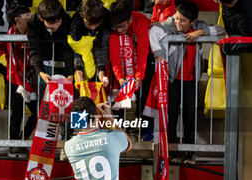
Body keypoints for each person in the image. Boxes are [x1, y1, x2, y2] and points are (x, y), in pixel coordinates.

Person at [149, 1, 225, 163]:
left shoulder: (198, 25)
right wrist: (158, 53)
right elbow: (153, 31)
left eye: (182, 20)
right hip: (172, 79)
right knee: (171, 116)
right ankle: (173, 154)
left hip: (190, 80)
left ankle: (190, 153)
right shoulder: (169, 24)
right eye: (177, 18)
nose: (178, 23)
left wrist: (199, 32)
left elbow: (221, 30)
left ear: (192, 21)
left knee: (190, 117)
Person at [64, 97, 131, 180]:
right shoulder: (111, 138)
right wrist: (109, 118)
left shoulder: (69, 146)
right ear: (95, 114)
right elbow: (128, 144)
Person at [0, 5, 37, 143]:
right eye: (27, 15)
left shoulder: (34, 33)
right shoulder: (8, 36)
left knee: (38, 112)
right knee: (17, 114)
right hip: (15, 80)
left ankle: (24, 138)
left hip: (32, 79)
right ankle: (14, 143)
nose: (30, 17)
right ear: (17, 20)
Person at [109, 0, 154, 141]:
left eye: (122, 26)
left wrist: (139, 76)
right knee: (118, 98)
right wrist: (120, 78)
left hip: (143, 65)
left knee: (143, 97)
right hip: (121, 68)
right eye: (116, 27)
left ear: (130, 19)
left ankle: (140, 131)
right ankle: (119, 132)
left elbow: (143, 52)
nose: (119, 30)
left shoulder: (141, 22)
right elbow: (114, 55)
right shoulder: (115, 27)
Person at [27, 0, 74, 103]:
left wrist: (70, 73)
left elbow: (68, 48)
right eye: (51, 23)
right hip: (44, 66)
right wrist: (41, 72)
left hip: (64, 64)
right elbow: (34, 50)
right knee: (45, 103)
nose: (56, 26)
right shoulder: (33, 23)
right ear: (41, 18)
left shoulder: (66, 19)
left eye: (58, 21)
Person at [68, 0, 111, 83]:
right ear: (81, 15)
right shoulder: (75, 23)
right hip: (81, 58)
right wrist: (79, 71)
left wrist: (101, 72)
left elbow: (102, 46)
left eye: (97, 24)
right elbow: (77, 49)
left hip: (97, 55)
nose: (93, 28)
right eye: (89, 24)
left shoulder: (107, 18)